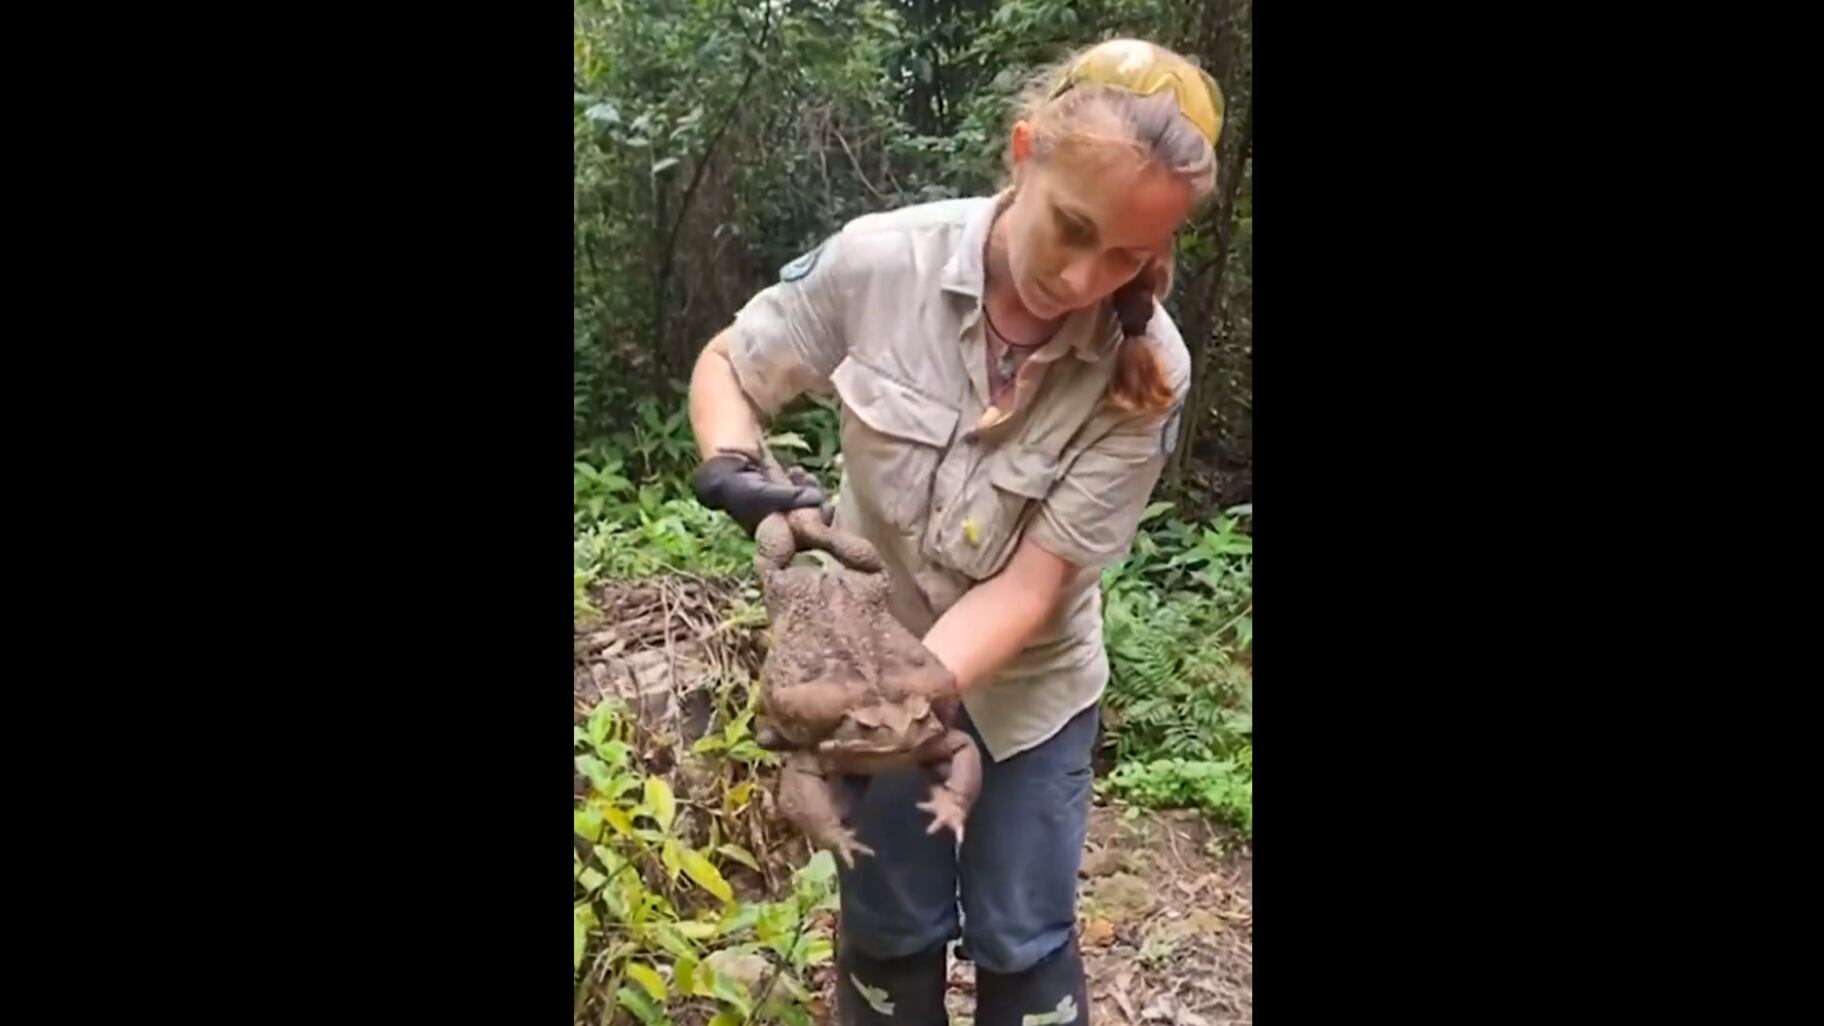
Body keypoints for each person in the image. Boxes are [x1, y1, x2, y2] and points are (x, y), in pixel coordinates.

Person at [686, 37, 1222, 1026]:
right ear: (1025, 153)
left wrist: (885, 705)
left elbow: (1031, 587)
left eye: (1127, 257)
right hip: (872, 656)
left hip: (1029, 694)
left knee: (1025, 933)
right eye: (1071, 227)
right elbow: (733, 362)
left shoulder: (1150, 370)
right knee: (887, 928)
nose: (1084, 276)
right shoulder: (882, 260)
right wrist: (734, 462)